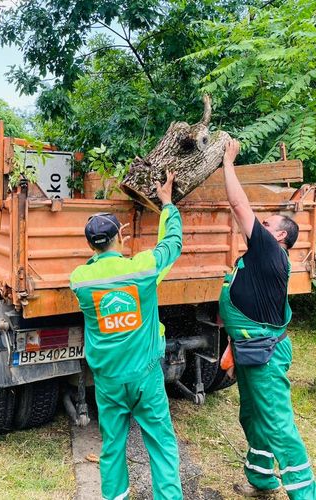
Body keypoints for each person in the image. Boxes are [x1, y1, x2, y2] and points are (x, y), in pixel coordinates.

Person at [218, 139, 316, 499]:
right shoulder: (259, 257)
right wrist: (232, 345)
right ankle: (262, 475)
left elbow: (238, 204)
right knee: (252, 417)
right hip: (251, 350)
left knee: (278, 423)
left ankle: (307, 490)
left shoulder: (270, 250)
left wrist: (228, 163)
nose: (259, 224)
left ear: (279, 235)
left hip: (265, 356)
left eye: (266, 223)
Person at [69, 172, 184, 500]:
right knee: (161, 445)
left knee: (112, 446)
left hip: (108, 382)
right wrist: (167, 204)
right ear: (121, 235)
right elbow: (172, 244)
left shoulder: (80, 280)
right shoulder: (144, 270)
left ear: (90, 244)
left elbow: (96, 267)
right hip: (146, 378)